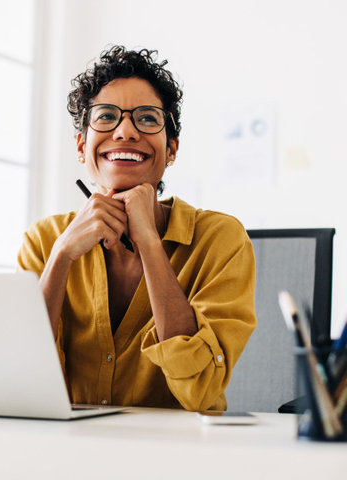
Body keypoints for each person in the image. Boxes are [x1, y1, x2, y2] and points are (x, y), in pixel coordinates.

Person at [18, 46, 256, 411]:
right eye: (107, 117)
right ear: (82, 146)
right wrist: (63, 255)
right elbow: (19, 376)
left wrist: (148, 241)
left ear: (171, 149)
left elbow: (201, 389)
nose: (125, 131)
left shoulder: (221, 239)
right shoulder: (45, 241)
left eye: (146, 119)